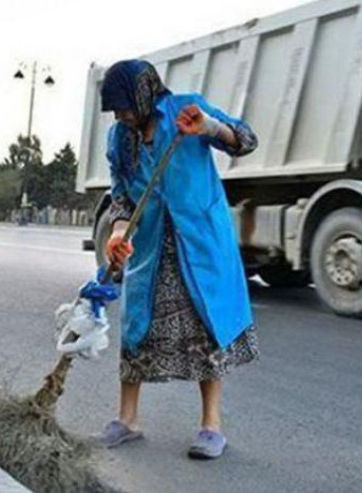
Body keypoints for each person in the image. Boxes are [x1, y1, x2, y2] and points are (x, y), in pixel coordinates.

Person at [98, 59, 259, 460]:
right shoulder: (120, 138)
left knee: (205, 332)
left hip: (200, 242)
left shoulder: (187, 108)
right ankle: (128, 420)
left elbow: (245, 140)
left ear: (145, 93)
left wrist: (209, 126)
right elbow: (121, 195)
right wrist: (119, 233)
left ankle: (211, 426)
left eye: (125, 106)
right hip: (152, 247)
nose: (121, 115)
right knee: (136, 330)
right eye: (116, 110)